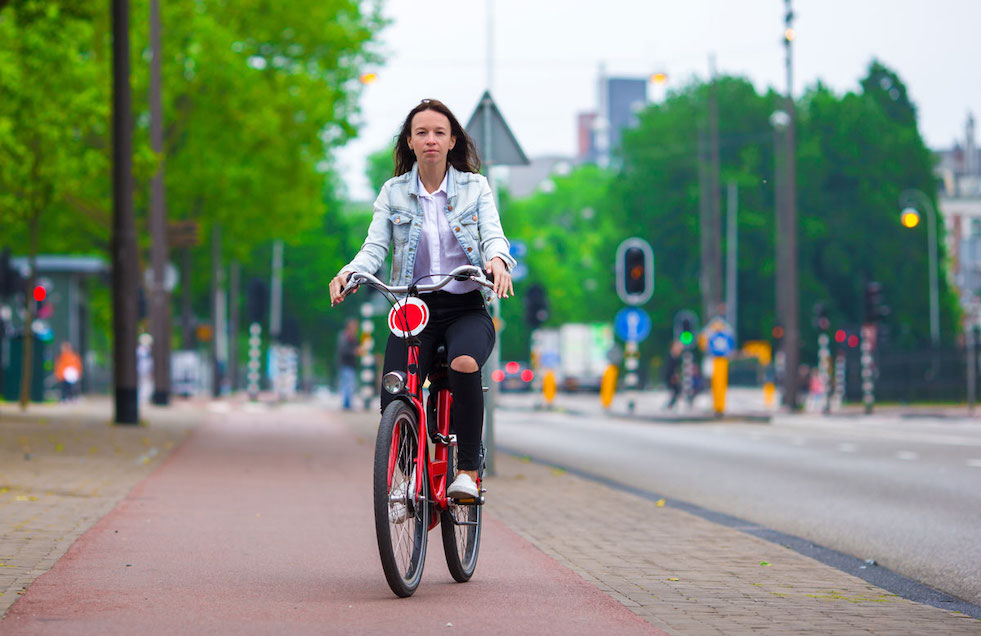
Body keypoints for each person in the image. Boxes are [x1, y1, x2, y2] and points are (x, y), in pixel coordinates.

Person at [329, 98, 515, 499]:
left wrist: (497, 261)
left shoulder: (474, 187)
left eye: (439, 133)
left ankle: (466, 471)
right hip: (413, 309)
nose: (430, 139)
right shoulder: (393, 192)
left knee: (464, 363)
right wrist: (349, 273)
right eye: (421, 133)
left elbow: (493, 236)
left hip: (466, 305)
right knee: (396, 389)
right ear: (410, 142)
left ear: (452, 142)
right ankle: (408, 477)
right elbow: (374, 247)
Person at [336, 318, 360, 410]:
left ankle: (347, 403)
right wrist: (354, 352)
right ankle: (347, 404)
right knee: (348, 384)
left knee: (348, 384)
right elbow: (343, 350)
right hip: (346, 364)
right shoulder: (345, 336)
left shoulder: (352, 337)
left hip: (350, 364)